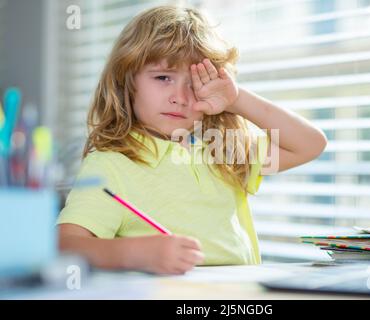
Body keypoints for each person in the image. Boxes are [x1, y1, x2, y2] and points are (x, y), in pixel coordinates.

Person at [57, 5, 327, 275]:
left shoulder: (223, 148)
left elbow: (310, 144)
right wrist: (137, 253)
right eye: (163, 77)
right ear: (126, 82)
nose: (181, 97)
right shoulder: (111, 164)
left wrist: (236, 100)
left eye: (195, 84)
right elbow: (66, 244)